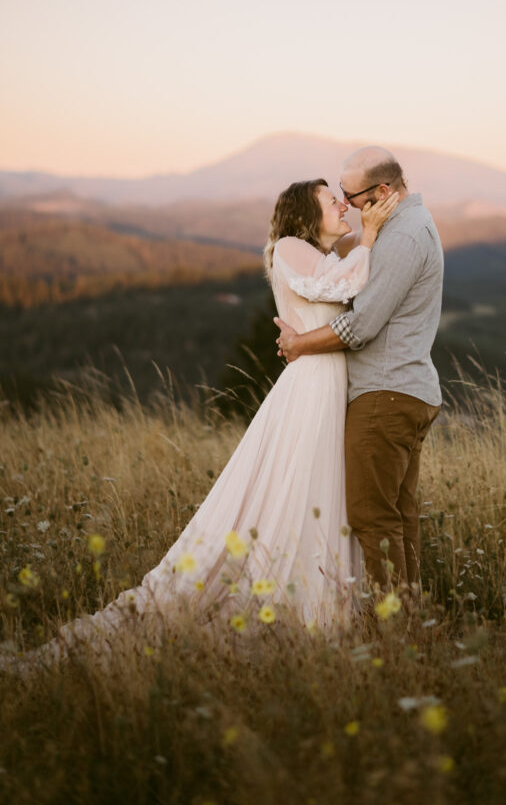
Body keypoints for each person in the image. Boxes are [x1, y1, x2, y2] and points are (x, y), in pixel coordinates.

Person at [5, 179, 398, 671]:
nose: (344, 205)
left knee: (322, 494)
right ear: (303, 214)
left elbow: (346, 288)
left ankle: (324, 606)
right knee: (299, 490)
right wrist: (369, 235)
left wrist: (360, 243)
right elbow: (344, 286)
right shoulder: (291, 248)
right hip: (310, 392)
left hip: (330, 388)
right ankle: (296, 606)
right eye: (331, 200)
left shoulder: (323, 256)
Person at [275, 147, 443, 591]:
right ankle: (408, 626)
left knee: (373, 518)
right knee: (398, 516)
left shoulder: (402, 236)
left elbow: (362, 324)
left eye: (350, 195)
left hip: (386, 395)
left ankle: (394, 631)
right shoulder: (398, 227)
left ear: (383, 191)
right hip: (400, 390)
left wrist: (298, 343)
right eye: (338, 197)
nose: (346, 204)